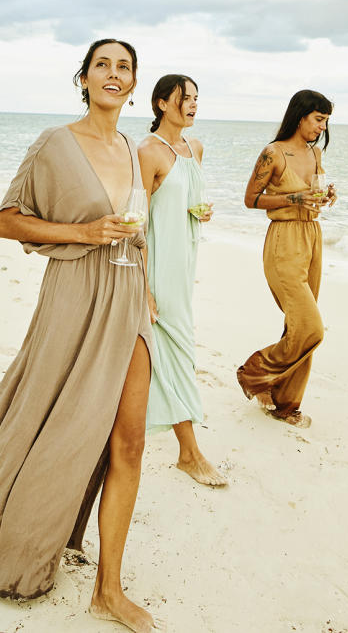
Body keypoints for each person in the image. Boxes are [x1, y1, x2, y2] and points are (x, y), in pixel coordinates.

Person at [0, 38, 162, 633]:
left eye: (124, 67)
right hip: (75, 295)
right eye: (102, 65)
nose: (113, 74)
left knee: (128, 442)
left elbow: (138, 230)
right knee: (60, 424)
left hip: (129, 300)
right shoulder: (56, 144)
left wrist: (149, 289)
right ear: (83, 79)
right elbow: (7, 220)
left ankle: (109, 589)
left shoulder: (134, 149)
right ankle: (26, 532)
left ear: (134, 85)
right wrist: (84, 234)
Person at [137, 74, 228, 488]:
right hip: (158, 266)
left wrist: (200, 212)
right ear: (160, 104)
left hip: (185, 261)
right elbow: (138, 222)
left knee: (174, 350)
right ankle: (189, 453)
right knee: (176, 352)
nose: (192, 105)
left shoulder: (196, 148)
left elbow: (188, 199)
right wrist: (144, 287)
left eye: (195, 98)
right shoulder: (146, 152)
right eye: (183, 99)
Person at [237, 90, 337, 429]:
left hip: (312, 239)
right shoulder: (273, 153)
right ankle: (255, 372)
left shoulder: (315, 153)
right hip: (283, 243)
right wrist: (295, 196)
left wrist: (326, 195)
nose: (322, 127)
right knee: (311, 328)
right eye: (319, 119)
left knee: (296, 326)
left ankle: (285, 403)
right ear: (301, 116)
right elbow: (251, 199)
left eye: (326, 121)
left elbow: (313, 193)